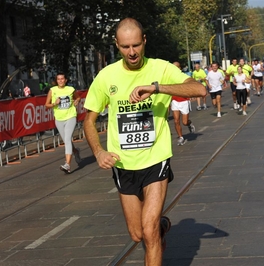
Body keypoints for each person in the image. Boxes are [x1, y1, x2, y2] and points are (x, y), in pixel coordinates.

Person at [82, 18, 206, 265]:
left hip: (155, 160)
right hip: (123, 164)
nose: (132, 52)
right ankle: (160, 227)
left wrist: (157, 88)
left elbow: (199, 90)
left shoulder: (160, 68)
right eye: (126, 46)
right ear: (116, 45)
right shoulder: (106, 76)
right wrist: (98, 152)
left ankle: (155, 230)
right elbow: (89, 119)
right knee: (138, 233)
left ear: (144, 41)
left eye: (136, 45)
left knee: (148, 232)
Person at [45, 73, 82, 174]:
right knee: (67, 141)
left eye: (62, 79)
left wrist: (77, 101)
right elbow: (46, 105)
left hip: (71, 116)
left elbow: (78, 97)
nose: (60, 81)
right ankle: (75, 151)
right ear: (56, 81)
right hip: (59, 119)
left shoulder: (71, 89)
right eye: (58, 79)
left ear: (65, 80)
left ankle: (67, 165)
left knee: (67, 139)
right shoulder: (52, 90)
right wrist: (54, 103)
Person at [171, 61, 196, 146]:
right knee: (176, 121)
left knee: (184, 122)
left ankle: (189, 123)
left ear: (180, 68)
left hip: (184, 101)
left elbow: (190, 86)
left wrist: (192, 94)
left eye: (176, 67)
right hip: (175, 100)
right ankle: (180, 137)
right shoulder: (169, 77)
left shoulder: (184, 77)